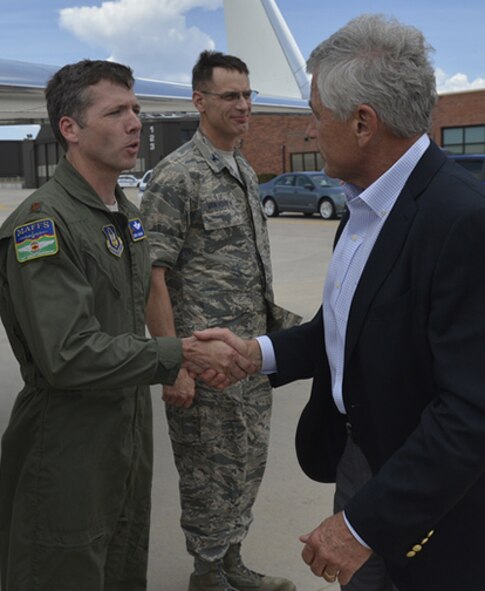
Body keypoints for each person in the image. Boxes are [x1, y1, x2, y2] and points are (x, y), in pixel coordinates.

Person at [194, 14, 485, 591]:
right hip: (358, 456)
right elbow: (348, 326)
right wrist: (259, 353)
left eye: (316, 114)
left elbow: (470, 412)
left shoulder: (462, 220)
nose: (308, 130)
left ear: (362, 124)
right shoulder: (362, 209)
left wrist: (360, 525)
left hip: (427, 496)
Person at [0, 59, 255, 591]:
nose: (135, 122)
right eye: (115, 111)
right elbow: (68, 354)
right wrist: (176, 355)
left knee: (121, 566)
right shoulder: (42, 224)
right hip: (68, 442)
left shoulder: (126, 213)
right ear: (69, 129)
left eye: (136, 109)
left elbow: (149, 296)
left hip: (126, 434)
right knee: (64, 568)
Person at [140, 50, 300, 591]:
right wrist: (173, 366)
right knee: (208, 475)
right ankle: (206, 575)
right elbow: (152, 278)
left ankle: (233, 562)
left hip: (247, 359)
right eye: (230, 95)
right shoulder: (176, 176)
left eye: (248, 94)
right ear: (199, 100)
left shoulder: (245, 171)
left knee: (246, 465)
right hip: (203, 366)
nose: (243, 105)